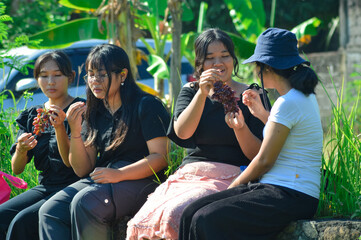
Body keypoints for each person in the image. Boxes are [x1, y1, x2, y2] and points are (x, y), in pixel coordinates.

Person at [178, 27, 323, 240]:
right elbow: (284, 134)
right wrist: (263, 114)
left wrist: (233, 187)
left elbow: (264, 160)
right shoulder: (297, 98)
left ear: (266, 67)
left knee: (205, 218)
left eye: (257, 65)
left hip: (292, 194)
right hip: (275, 188)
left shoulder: (288, 102)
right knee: (189, 213)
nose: (255, 71)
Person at [126, 28, 270, 240]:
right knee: (141, 221)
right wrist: (202, 93)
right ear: (200, 63)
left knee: (175, 214)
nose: (218, 63)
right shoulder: (191, 91)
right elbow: (182, 133)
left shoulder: (253, 95)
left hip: (231, 176)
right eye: (210, 58)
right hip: (188, 176)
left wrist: (240, 128)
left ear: (233, 59)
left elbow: (258, 155)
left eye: (224, 56)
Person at [38, 44, 170, 240]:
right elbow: (82, 169)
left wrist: (119, 174)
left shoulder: (146, 105)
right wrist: (74, 131)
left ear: (123, 75)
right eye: (90, 75)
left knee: (85, 202)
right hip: (105, 177)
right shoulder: (94, 110)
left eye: (101, 74)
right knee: (50, 211)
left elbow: (160, 158)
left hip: (141, 180)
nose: (94, 81)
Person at [0, 50, 84, 240]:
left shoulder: (79, 110)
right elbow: (17, 169)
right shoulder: (33, 115)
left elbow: (73, 164)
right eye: (44, 76)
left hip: (75, 185)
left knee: (21, 222)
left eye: (57, 75)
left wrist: (61, 127)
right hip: (45, 185)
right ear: (36, 79)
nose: (50, 82)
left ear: (70, 77)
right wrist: (21, 149)